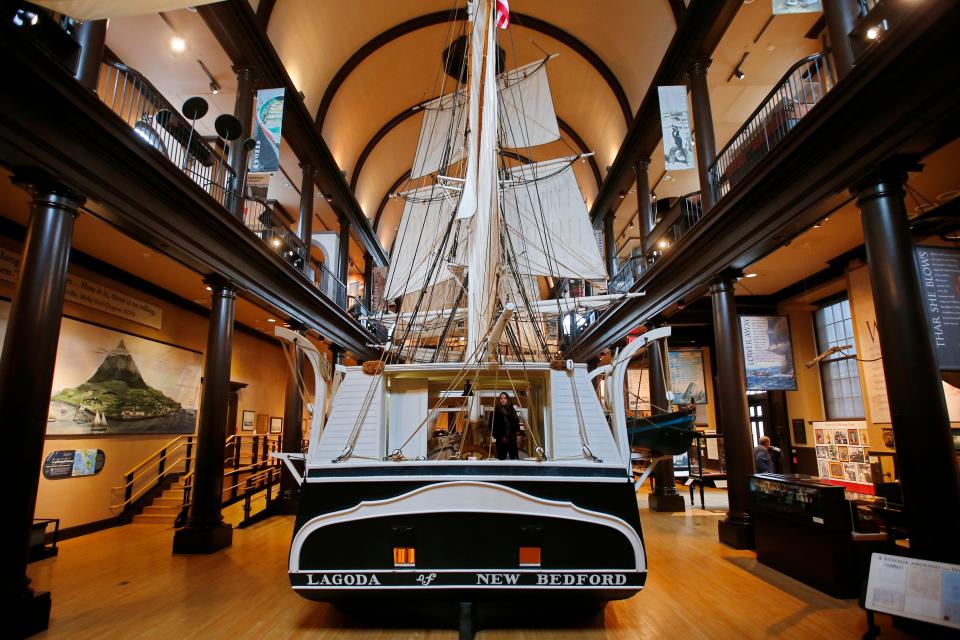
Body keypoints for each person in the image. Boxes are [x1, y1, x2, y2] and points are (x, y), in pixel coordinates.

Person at [490, 392, 520, 460]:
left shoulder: (513, 411)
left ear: (507, 399)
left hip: (512, 440)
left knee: (514, 459)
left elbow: (516, 423)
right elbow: (492, 427)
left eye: (504, 398)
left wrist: (516, 433)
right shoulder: (495, 412)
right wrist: (500, 437)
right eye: (501, 398)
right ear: (499, 400)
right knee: (501, 460)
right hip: (501, 440)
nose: (503, 400)